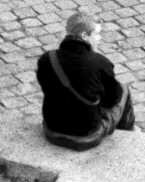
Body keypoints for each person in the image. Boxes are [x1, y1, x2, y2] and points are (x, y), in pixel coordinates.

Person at [38, 11, 137, 149]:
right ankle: (129, 139)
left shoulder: (47, 59)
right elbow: (112, 100)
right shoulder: (100, 62)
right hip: (85, 136)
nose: (99, 38)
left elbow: (48, 89)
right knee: (123, 90)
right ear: (84, 35)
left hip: (52, 130)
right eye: (96, 34)